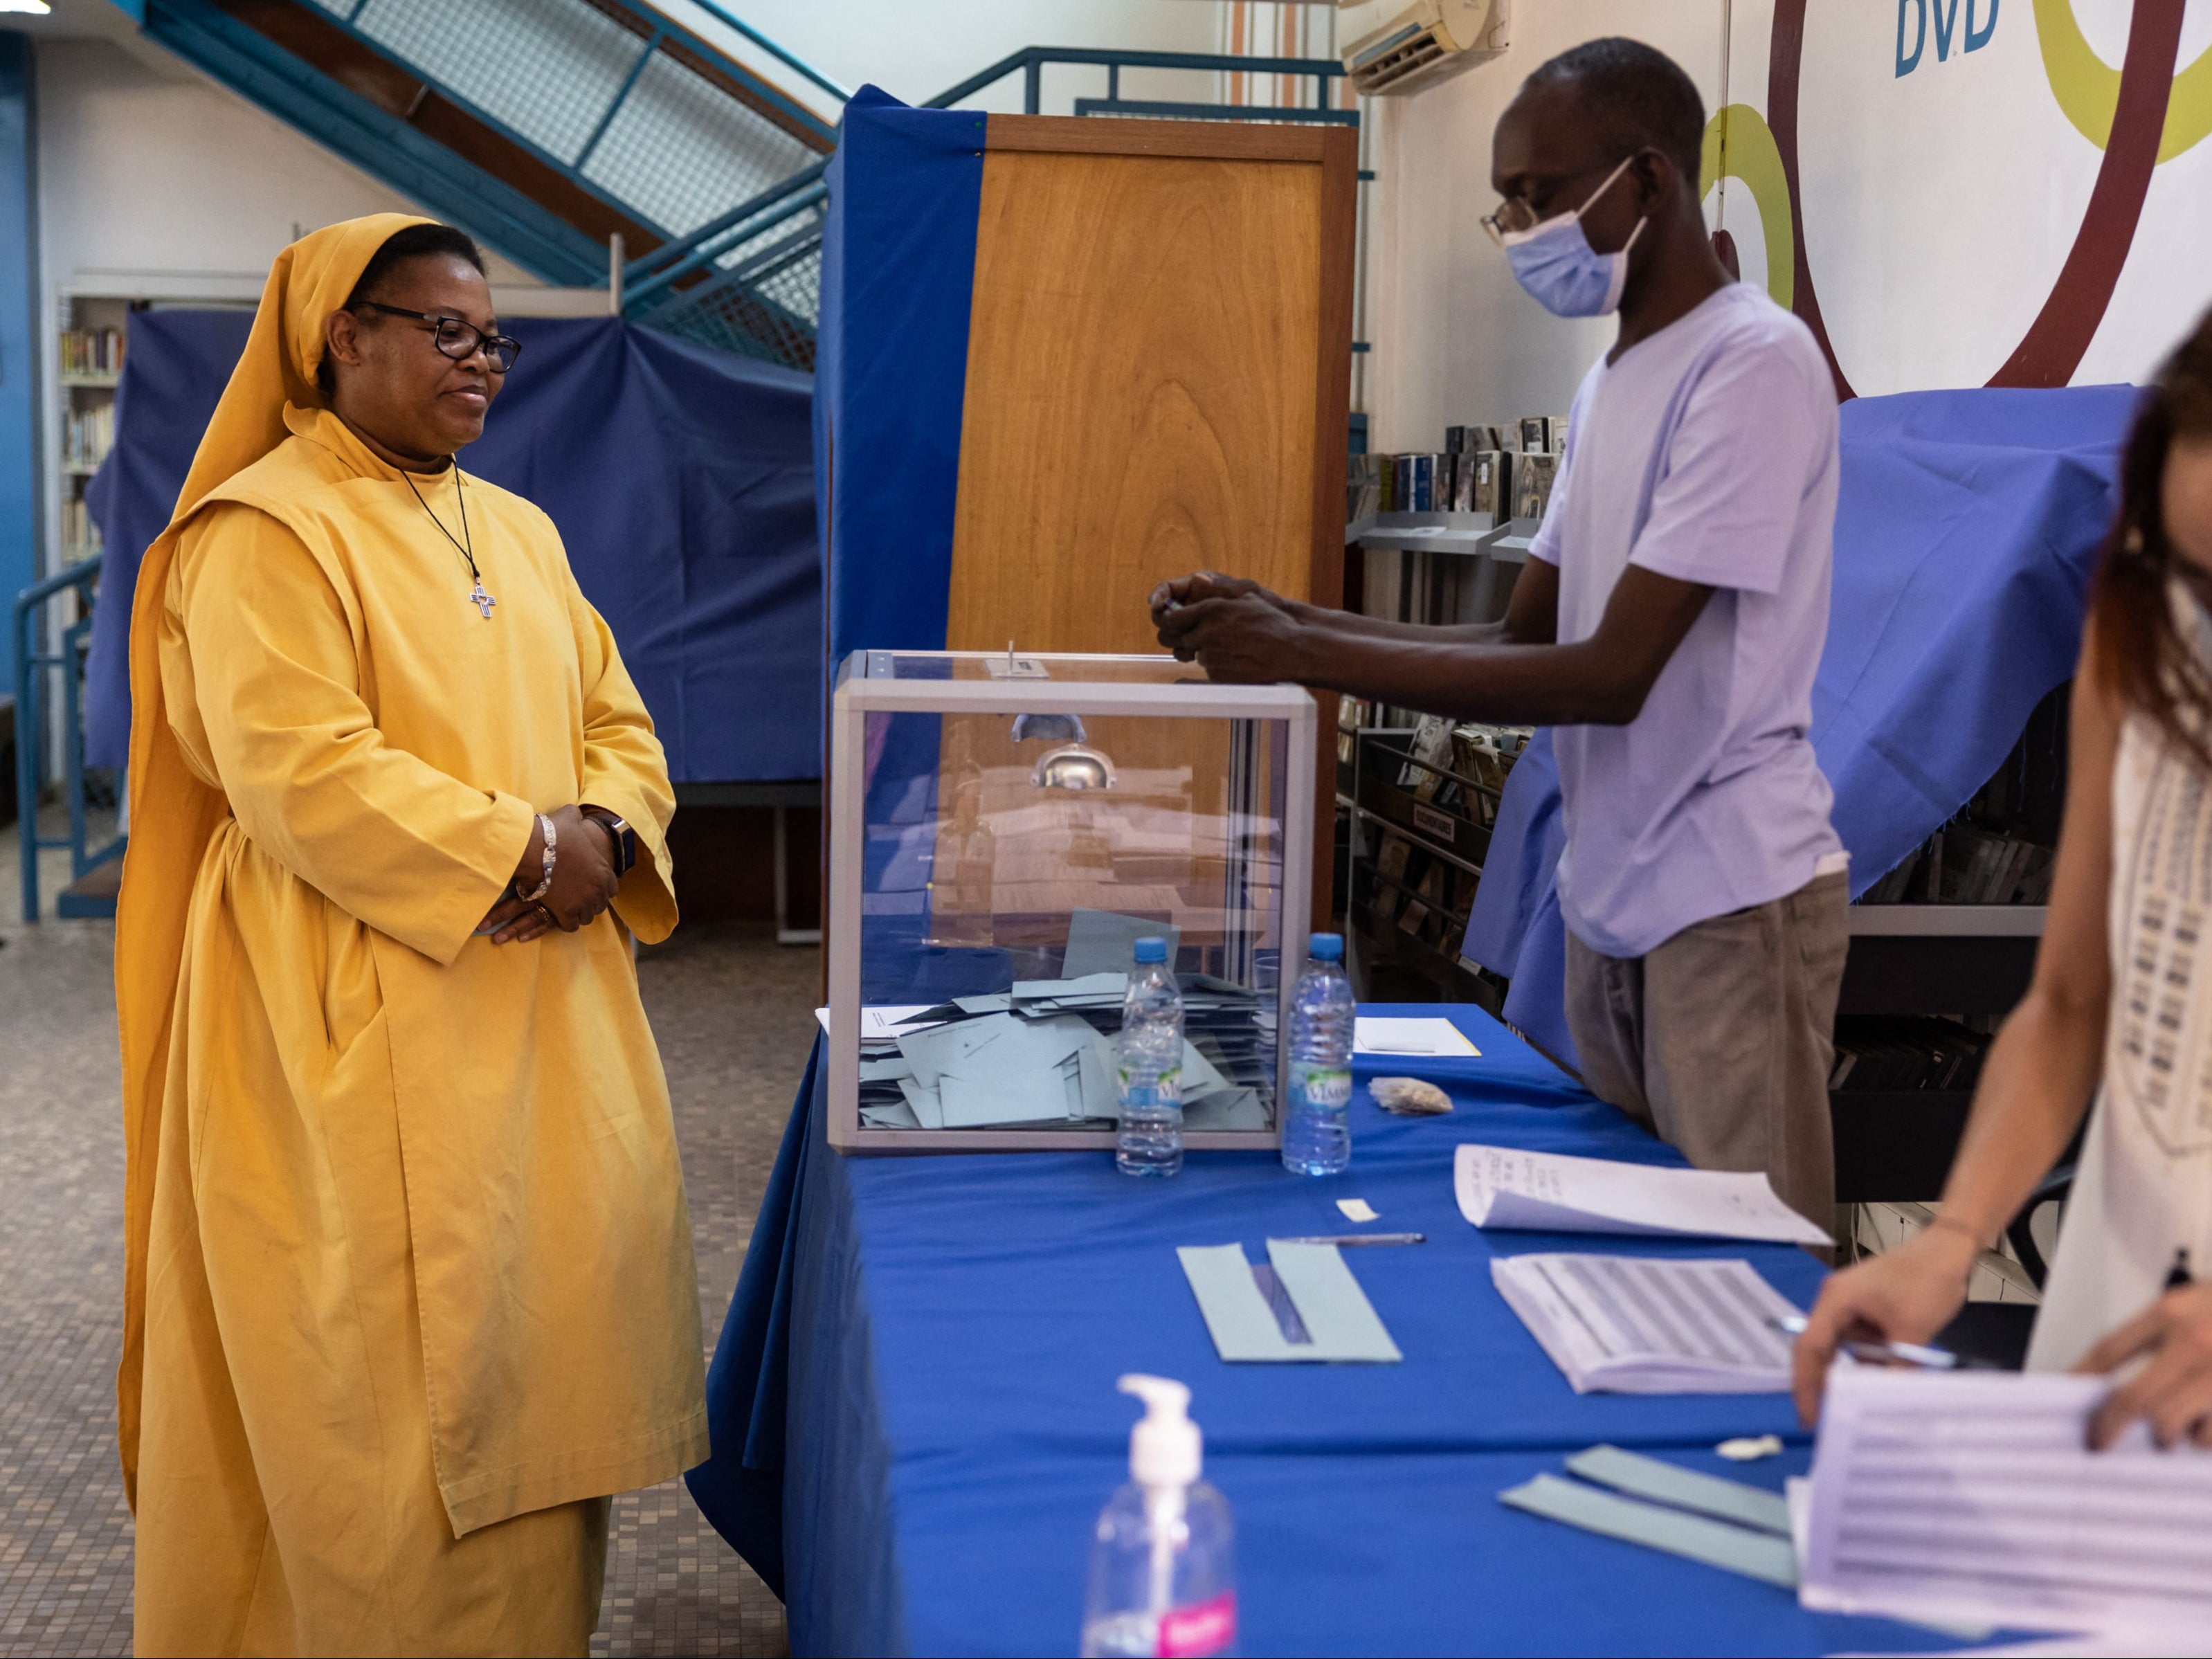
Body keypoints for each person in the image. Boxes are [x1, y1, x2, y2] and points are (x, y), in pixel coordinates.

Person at [114, 215, 707, 1656]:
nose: (480, 360)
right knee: (373, 1418)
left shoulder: (519, 529)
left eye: (491, 335)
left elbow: (616, 722)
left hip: (537, 1024)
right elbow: (301, 769)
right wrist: (528, 847)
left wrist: (608, 835)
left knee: (532, 1377)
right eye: (445, 330)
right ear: (342, 337)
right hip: (340, 1024)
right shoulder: (261, 531)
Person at [1152, 37, 1849, 1229]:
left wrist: (1305, 656)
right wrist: (1278, 613)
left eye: (1540, 193)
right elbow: (1527, 638)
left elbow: (1611, 675)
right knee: (1630, 1250)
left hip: (1728, 901)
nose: (1522, 226)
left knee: (1752, 1265)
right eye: (1506, 206)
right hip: (1612, 894)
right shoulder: (1610, 382)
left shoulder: (1752, 367)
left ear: (1648, 181)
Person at [1795, 311, 2212, 1447]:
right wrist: (1953, 1235)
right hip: (2128, 1290)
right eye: (2189, 578)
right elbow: (2073, 998)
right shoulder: (2149, 667)